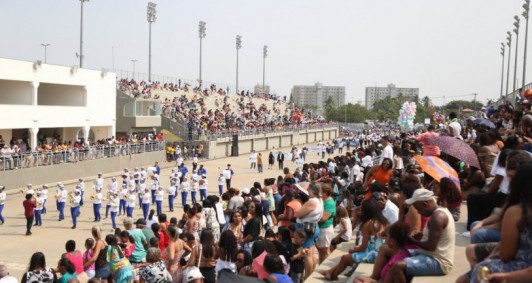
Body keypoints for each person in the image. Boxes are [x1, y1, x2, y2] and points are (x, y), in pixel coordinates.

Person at [469, 162, 532, 282]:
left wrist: (491, 258)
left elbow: (506, 254)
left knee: (481, 268)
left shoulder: (517, 211)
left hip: (522, 267)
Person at [385, 188, 455, 282]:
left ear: (425, 204)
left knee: (398, 266)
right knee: (390, 250)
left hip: (438, 262)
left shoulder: (438, 217)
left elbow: (431, 247)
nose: (418, 212)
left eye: (418, 209)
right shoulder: (438, 213)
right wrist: (421, 235)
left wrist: (413, 241)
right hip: (430, 255)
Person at [318, 200, 388, 281]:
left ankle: (332, 275)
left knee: (345, 258)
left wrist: (354, 249)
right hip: (378, 253)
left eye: (362, 210)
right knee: (347, 257)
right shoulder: (384, 221)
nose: (361, 212)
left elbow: (363, 246)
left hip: (372, 255)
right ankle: (330, 272)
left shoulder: (368, 224)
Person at [294, 182, 323, 279]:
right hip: (313, 227)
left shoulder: (312, 202)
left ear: (312, 191)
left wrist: (299, 212)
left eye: (309, 189)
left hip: (306, 229)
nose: (308, 191)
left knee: (307, 255)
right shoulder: (319, 200)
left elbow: (298, 214)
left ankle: (307, 277)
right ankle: (310, 273)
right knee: (311, 252)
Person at [317, 183, 336, 264]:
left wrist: (312, 218)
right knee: (321, 250)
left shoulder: (329, 203)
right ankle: (321, 265)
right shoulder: (323, 200)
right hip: (321, 228)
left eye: (320, 191)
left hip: (325, 229)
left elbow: (323, 218)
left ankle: (324, 266)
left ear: (325, 192)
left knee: (325, 250)